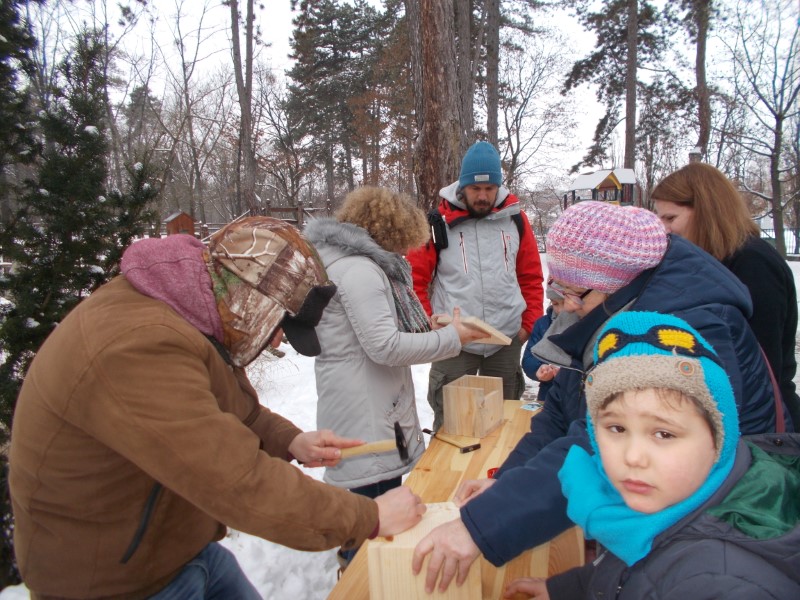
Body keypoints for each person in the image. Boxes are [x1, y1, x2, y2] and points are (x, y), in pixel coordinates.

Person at [8, 217, 427, 599]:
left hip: (178, 551)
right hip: (113, 585)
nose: (277, 341)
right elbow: (236, 479)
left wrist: (289, 440)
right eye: (277, 325)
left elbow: (234, 411)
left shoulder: (193, 309)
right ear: (250, 300)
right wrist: (368, 516)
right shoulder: (136, 348)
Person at [411, 201, 789, 594]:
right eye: (558, 290)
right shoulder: (616, 312)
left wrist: (483, 526)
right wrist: (506, 481)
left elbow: (596, 444)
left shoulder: (675, 329)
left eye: (574, 292)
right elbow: (564, 409)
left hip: (719, 517)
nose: (567, 305)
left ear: (618, 282)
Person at [504, 311, 800, 599]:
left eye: (664, 434)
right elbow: (631, 570)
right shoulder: (652, 515)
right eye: (617, 428)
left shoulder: (718, 584)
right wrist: (567, 589)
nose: (633, 457)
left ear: (718, 439)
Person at [304, 187, 484, 566]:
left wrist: (430, 328)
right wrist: (453, 338)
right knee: (373, 508)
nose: (405, 251)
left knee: (370, 504)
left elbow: (370, 330)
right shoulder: (360, 270)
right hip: (365, 409)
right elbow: (384, 346)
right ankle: (361, 578)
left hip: (359, 400)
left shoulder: (344, 262)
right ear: (394, 230)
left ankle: (364, 568)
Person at [407, 141, 544, 430]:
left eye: (489, 188)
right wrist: (430, 324)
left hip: (505, 338)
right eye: (475, 188)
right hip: (454, 342)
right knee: (453, 424)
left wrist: (527, 326)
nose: (482, 196)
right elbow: (414, 279)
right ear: (462, 186)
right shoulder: (437, 222)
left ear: (499, 187)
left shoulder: (516, 220)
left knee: (503, 424)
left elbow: (530, 276)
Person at [651, 162, 800, 429]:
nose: (664, 229)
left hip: (757, 423)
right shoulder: (708, 263)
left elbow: (761, 361)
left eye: (670, 218)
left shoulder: (753, 263)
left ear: (706, 213)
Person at [521, 281, 564, 401]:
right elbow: (529, 358)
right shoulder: (543, 324)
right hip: (548, 393)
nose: (561, 310)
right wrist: (539, 369)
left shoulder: (586, 324)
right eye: (555, 303)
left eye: (565, 302)